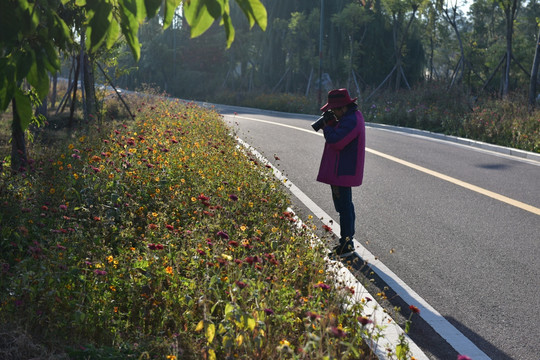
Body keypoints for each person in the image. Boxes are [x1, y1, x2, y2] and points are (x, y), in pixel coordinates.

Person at [316, 88, 366, 257]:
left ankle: (347, 244)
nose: (332, 113)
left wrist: (327, 126)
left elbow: (336, 141)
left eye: (333, 110)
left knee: (344, 207)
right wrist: (331, 123)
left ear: (343, 107)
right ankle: (346, 241)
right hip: (341, 168)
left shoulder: (352, 119)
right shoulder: (348, 117)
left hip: (343, 170)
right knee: (343, 206)